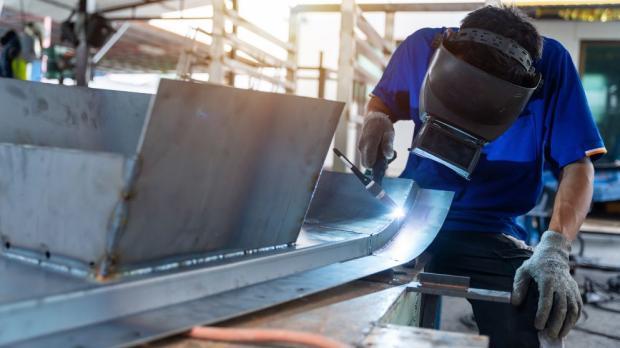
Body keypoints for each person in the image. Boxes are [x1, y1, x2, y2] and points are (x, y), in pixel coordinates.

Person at [358, 5, 606, 348]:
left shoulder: (552, 66)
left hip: (491, 228)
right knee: (357, 310)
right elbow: (382, 102)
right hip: (414, 214)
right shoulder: (422, 48)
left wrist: (555, 248)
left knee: (537, 319)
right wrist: (377, 119)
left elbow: (578, 166)